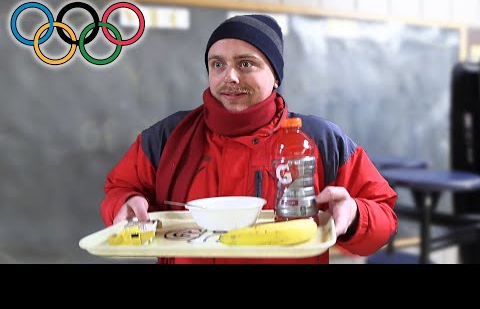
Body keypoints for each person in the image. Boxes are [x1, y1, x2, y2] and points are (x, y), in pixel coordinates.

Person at [101, 14, 398, 264]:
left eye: (246, 64)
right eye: (217, 64)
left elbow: (383, 216)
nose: (229, 76)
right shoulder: (168, 136)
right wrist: (125, 203)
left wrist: (357, 215)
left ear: (276, 76)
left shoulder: (319, 140)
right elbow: (121, 187)